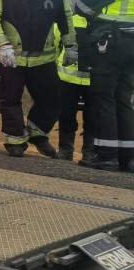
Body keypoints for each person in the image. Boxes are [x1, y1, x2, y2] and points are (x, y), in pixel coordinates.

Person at [0, 0, 75, 157]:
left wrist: (72, 46)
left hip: (43, 59)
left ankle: (37, 132)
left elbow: (66, 19)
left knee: (52, 99)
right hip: (10, 58)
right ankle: (15, 141)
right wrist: (2, 45)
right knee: (10, 100)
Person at [73, 0, 134, 171]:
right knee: (125, 100)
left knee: (103, 99)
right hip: (132, 47)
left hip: (109, 46)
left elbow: (82, 8)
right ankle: (128, 158)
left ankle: (107, 155)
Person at [56, 11, 92, 161]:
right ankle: (65, 149)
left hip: (95, 80)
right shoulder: (69, 21)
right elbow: (56, 44)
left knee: (93, 118)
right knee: (66, 115)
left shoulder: (106, 22)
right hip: (67, 78)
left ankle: (90, 152)